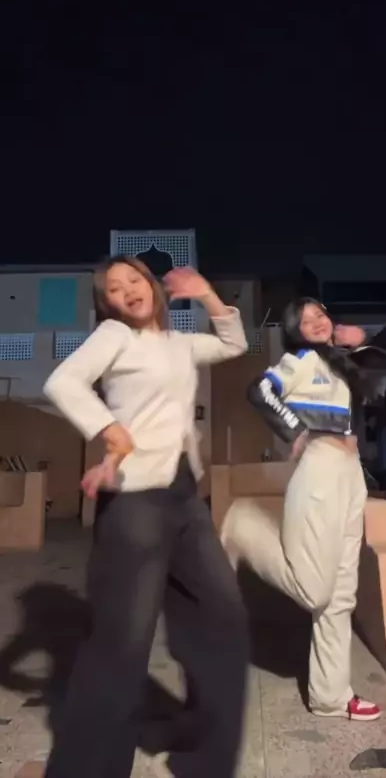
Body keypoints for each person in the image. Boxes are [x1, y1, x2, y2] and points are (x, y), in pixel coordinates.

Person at [42, 256, 249, 778]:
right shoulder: (115, 336)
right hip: (135, 503)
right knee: (122, 645)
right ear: (106, 303)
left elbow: (233, 344)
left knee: (223, 616)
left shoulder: (179, 343)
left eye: (134, 280)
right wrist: (109, 430)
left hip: (184, 496)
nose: (127, 291)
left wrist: (206, 293)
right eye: (114, 288)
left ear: (153, 287)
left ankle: (203, 758)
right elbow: (63, 382)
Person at [221, 297, 386, 722]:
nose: (317, 322)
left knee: (340, 596)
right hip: (320, 469)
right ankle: (241, 522)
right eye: (306, 320)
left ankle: (330, 697)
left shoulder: (340, 364)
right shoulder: (300, 360)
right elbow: (260, 390)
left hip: (351, 474)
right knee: (315, 590)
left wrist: (362, 341)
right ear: (295, 331)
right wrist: (295, 428)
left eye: (321, 314)